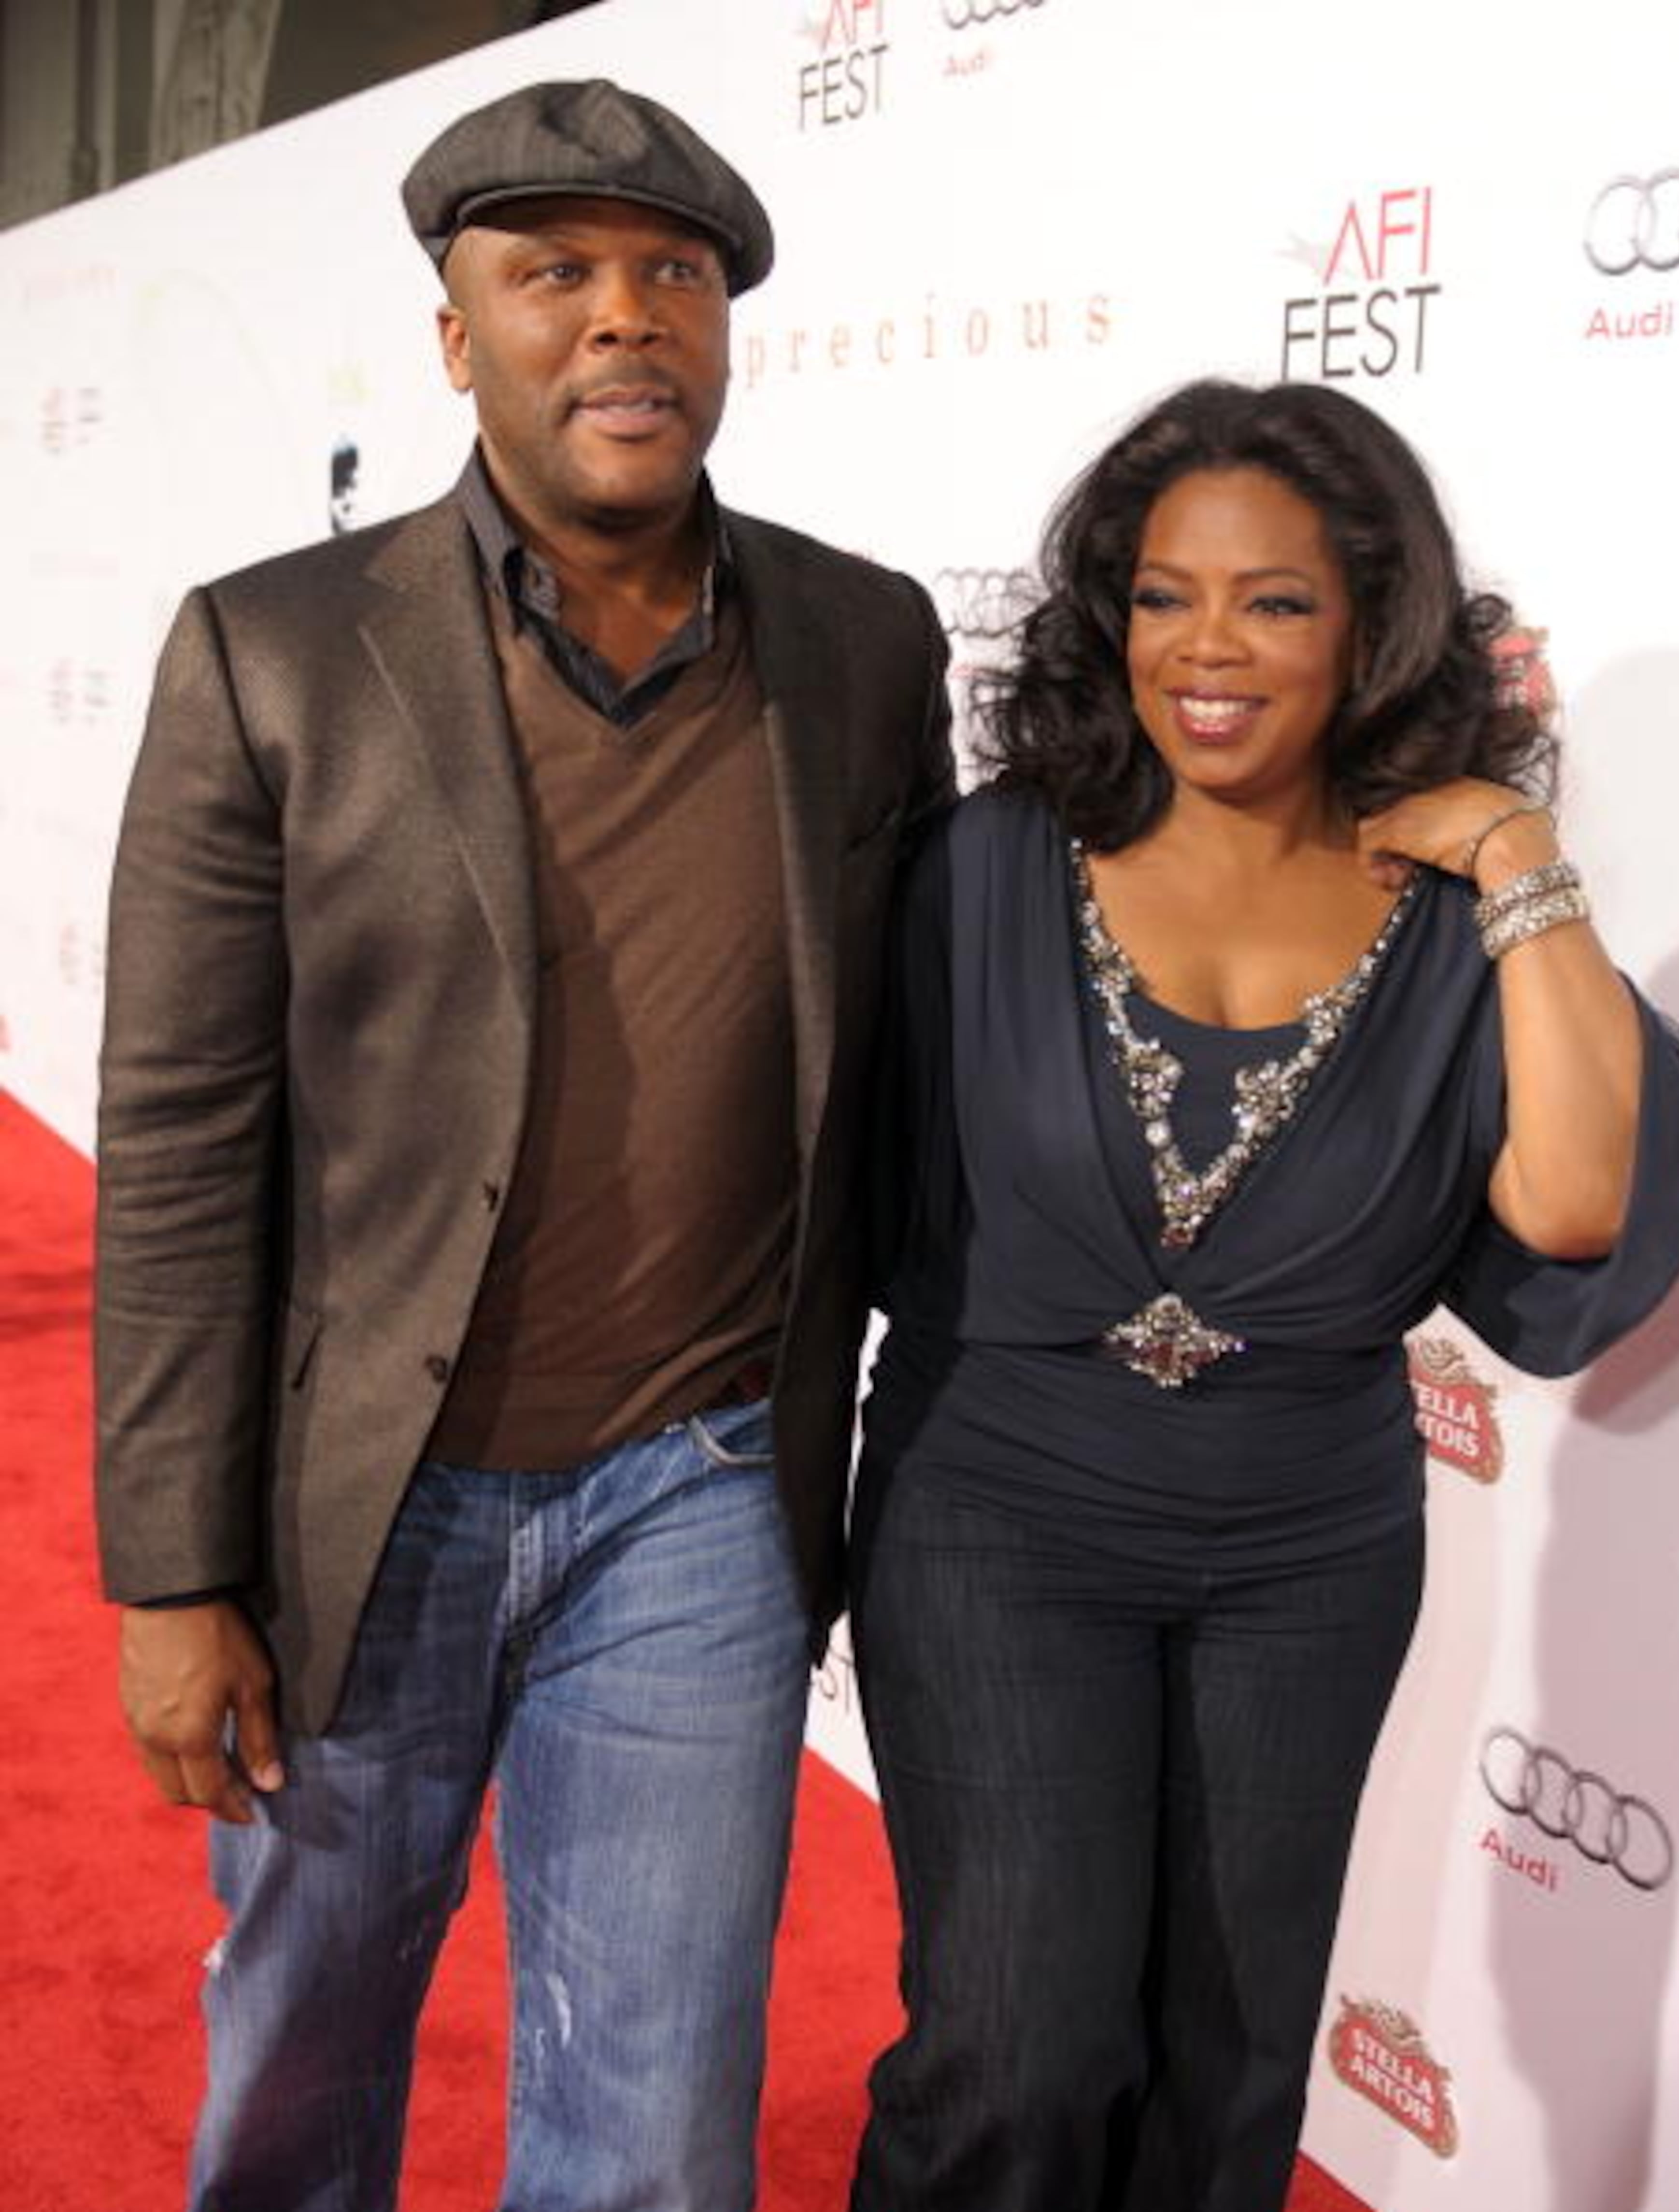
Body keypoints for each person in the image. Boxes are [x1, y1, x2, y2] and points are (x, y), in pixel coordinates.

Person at [94, 77, 952, 2211]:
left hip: (701, 1494)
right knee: (299, 2057)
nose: (623, 320)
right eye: (551, 272)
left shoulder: (863, 642)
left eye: (672, 275)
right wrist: (176, 1565)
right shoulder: (274, 649)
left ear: (730, 329)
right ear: (456, 334)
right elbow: (187, 1137)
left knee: (655, 2123)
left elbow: (939, 1031)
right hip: (361, 1504)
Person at [847, 378, 1679, 2212]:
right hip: (1000, 1507)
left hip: (1311, 1541)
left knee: (1234, 2066)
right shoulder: (990, 865)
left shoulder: (1453, 918)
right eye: (1164, 596)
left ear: (1373, 623)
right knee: (1017, 2044)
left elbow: (1571, 1206)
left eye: (1275, 600)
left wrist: (1516, 859)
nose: (1208, 649)